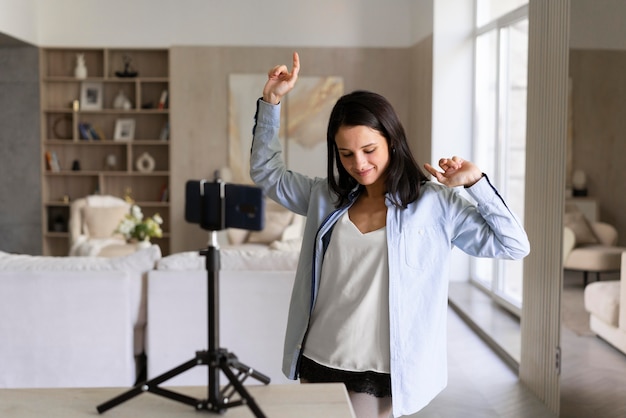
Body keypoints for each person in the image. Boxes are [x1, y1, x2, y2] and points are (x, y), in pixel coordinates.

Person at [249, 52, 530, 418]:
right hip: (322, 353)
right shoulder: (325, 197)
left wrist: (476, 184)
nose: (359, 164)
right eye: (346, 154)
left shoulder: (435, 203)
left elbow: (513, 245)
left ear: (392, 141)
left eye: (369, 150)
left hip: (394, 364)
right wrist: (271, 102)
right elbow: (267, 172)